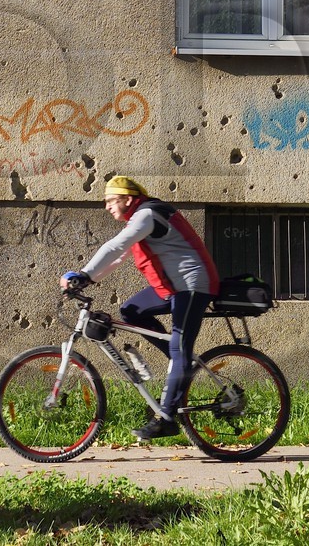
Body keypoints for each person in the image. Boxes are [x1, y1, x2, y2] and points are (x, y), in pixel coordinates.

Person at [61, 173, 220, 441]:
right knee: (132, 312)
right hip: (172, 287)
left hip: (194, 284)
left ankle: (167, 418)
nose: (107, 206)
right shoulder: (139, 218)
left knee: (180, 345)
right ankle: (178, 361)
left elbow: (117, 246)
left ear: (128, 199)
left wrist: (85, 274)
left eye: (111, 200)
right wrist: (86, 278)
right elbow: (120, 255)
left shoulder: (147, 214)